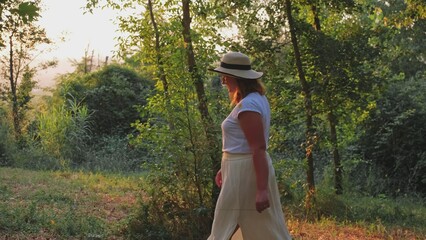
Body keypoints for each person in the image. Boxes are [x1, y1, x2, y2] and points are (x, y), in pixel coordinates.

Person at [207, 52, 292, 240]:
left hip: (245, 173)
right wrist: (226, 169)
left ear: (235, 77)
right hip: (240, 171)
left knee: (224, 227)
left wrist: (262, 189)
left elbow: (258, 148)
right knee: (260, 226)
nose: (223, 81)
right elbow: (242, 144)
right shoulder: (254, 100)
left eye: (225, 76)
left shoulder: (249, 105)